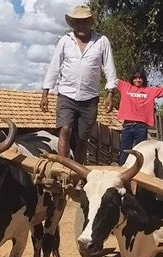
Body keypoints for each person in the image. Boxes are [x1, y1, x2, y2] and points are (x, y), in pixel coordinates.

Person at [40, 4, 117, 164]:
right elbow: (54, 66)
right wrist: (45, 93)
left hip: (89, 98)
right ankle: (63, 168)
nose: (81, 25)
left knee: (83, 138)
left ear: (91, 22)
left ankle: (78, 172)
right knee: (65, 129)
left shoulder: (101, 41)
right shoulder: (65, 41)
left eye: (84, 22)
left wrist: (110, 93)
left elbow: (109, 68)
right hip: (66, 95)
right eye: (78, 22)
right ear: (73, 24)